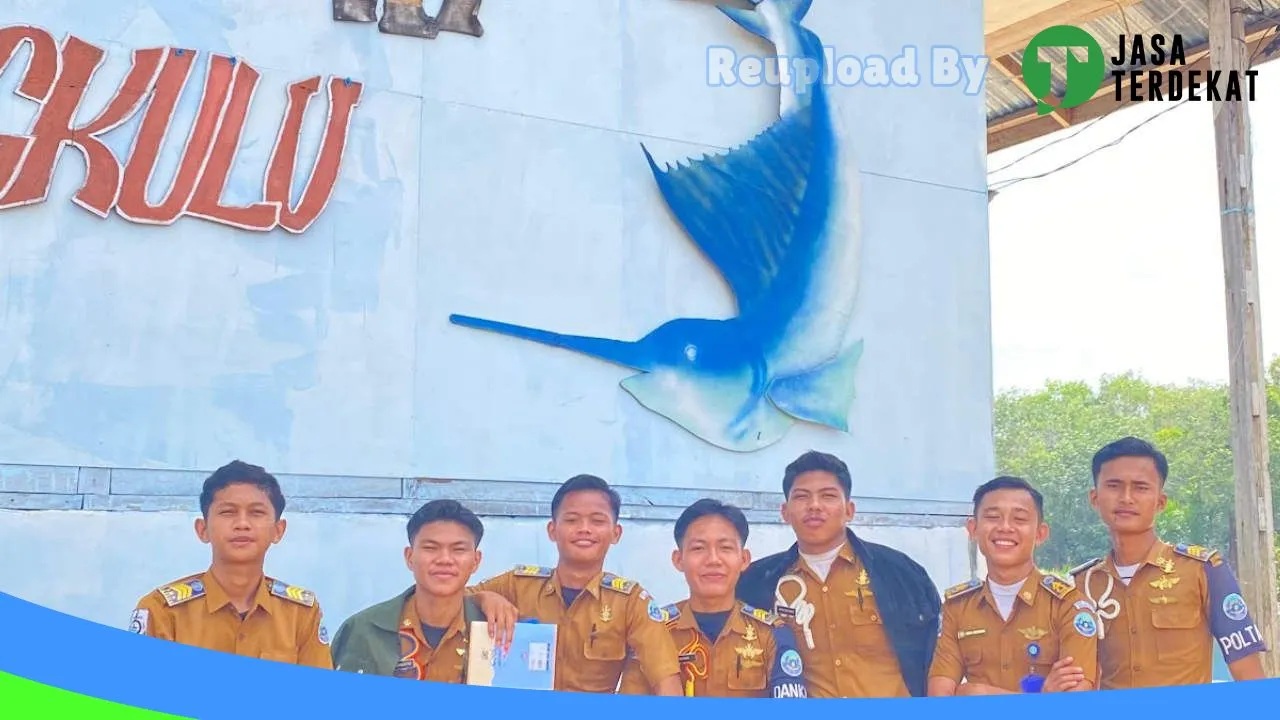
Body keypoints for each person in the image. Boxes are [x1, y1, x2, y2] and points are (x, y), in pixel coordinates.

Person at [736, 450, 941, 698]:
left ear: (849, 510)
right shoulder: (758, 582)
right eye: (801, 497)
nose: (814, 506)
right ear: (785, 512)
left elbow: (937, 657)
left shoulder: (901, 574)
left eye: (828, 496)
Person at [1070, 436, 1268, 688]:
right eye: (1114, 485)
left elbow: (1249, 675)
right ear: (1095, 498)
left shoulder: (1203, 571)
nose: (1126, 498)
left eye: (1141, 487)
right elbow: (1082, 678)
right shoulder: (1082, 585)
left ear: (1160, 502)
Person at [467, 474, 682, 694]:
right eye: (572, 520)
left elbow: (665, 678)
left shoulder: (631, 602)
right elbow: (451, 600)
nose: (584, 529)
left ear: (615, 533)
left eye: (597, 521)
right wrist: (483, 597)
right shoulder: (517, 585)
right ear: (552, 530)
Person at [127, 460, 332, 669]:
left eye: (256, 513)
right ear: (202, 529)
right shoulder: (162, 612)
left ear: (278, 530)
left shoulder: (301, 615)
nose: (242, 524)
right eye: (228, 512)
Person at [617, 499, 808, 698]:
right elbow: (632, 709)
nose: (713, 560)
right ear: (678, 560)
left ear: (744, 560)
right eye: (699, 548)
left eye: (725, 548)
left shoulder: (772, 634)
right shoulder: (652, 631)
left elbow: (790, 712)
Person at [928, 476, 1098, 696]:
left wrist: (978, 693)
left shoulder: (1069, 606)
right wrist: (1043, 700)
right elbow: (939, 696)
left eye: (1019, 519)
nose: (1005, 527)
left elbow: (1075, 700)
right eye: (992, 517)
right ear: (973, 529)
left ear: (1040, 533)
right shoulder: (957, 608)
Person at [329, 499, 488, 680]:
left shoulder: (495, 633)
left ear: (476, 561)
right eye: (430, 548)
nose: (445, 559)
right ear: (409, 557)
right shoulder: (363, 630)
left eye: (458, 550)